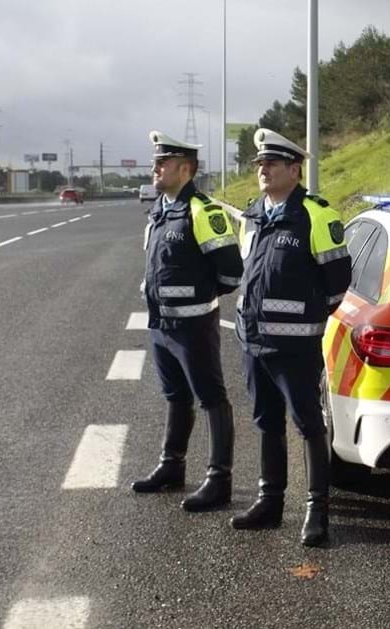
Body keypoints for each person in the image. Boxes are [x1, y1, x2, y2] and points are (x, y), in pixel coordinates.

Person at [229, 128, 351, 546]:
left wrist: (308, 317)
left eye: (272, 164)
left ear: (294, 170)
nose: (263, 170)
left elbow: (338, 284)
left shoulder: (316, 215)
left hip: (296, 346)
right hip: (254, 341)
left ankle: (317, 511)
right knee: (265, 421)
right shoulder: (252, 215)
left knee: (308, 424)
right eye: (260, 164)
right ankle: (270, 502)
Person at [131, 130, 243, 512]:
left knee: (211, 398)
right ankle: (171, 465)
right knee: (175, 396)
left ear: (185, 168)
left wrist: (199, 298)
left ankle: (219, 479)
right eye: (155, 162)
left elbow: (230, 273)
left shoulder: (203, 211)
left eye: (162, 163)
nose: (155, 168)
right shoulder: (161, 209)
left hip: (194, 326)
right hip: (162, 326)